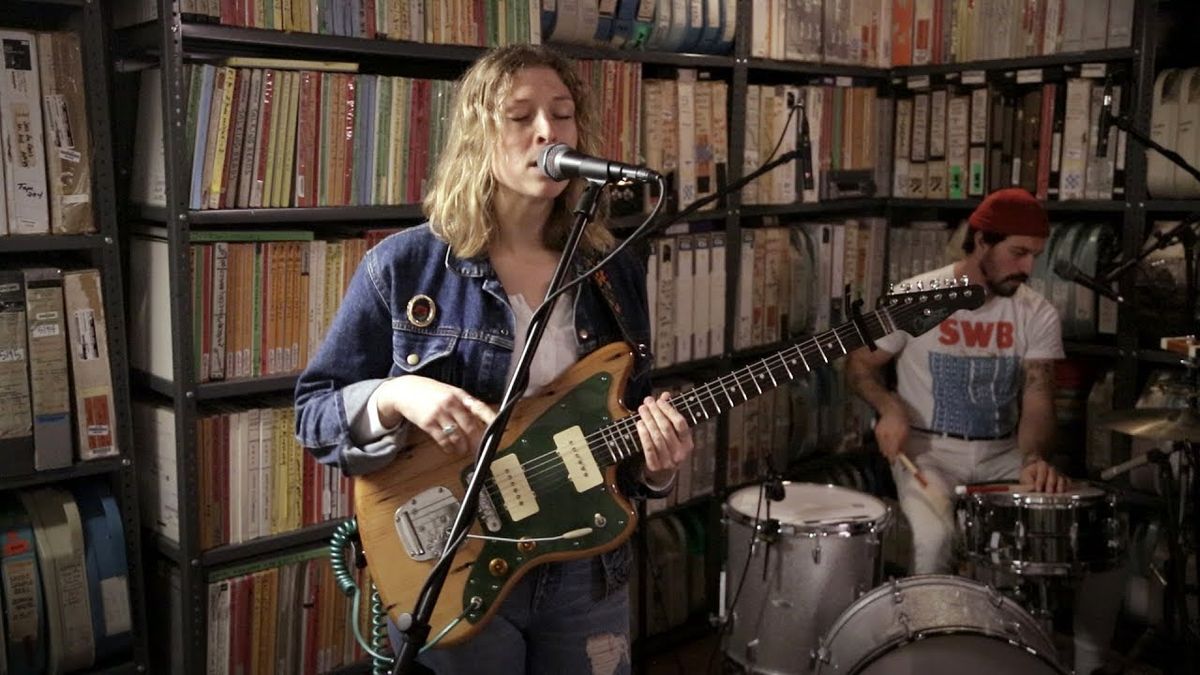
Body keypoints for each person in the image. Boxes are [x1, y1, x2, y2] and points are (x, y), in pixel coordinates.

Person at [294, 44, 694, 675]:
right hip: (454, 565)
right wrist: (397, 396)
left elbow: (626, 425)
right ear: (479, 134)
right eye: (520, 115)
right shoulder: (403, 266)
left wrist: (657, 465)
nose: (548, 131)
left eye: (563, 114)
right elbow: (314, 415)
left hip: (584, 570)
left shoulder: (614, 270)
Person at [847, 188, 1121, 674]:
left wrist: (1034, 459)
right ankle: (926, 663)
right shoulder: (917, 296)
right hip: (928, 451)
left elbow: (1038, 399)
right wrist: (889, 408)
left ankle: (1086, 667)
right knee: (933, 539)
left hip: (1002, 454)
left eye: (1035, 256)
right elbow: (860, 366)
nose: (1028, 267)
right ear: (980, 241)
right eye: (1018, 253)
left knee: (1099, 538)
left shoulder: (1036, 312)